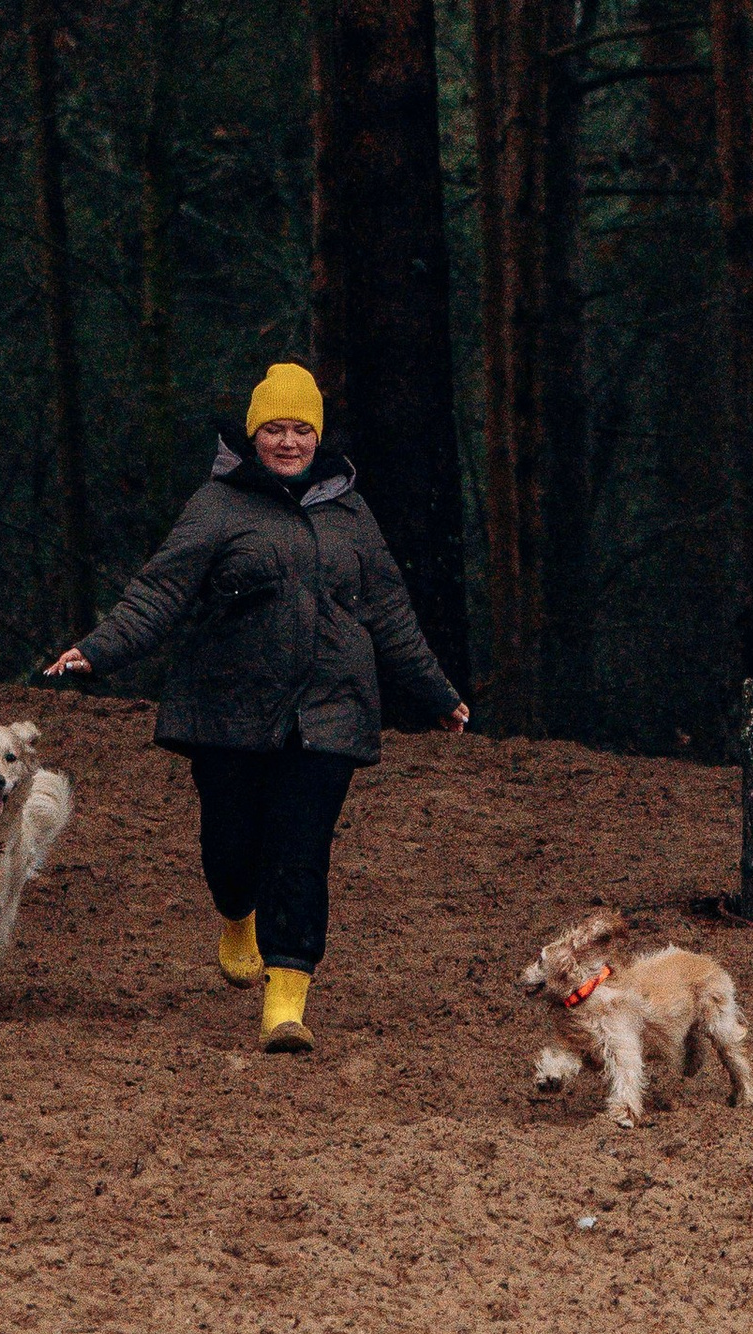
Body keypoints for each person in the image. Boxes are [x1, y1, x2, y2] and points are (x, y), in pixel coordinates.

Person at [43, 359, 469, 1052]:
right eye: (276, 427)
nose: (290, 441)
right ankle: (234, 913)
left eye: (302, 428)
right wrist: (97, 651)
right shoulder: (217, 506)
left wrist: (436, 692)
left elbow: (389, 609)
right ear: (253, 433)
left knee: (300, 854)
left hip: (331, 708)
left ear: (318, 436)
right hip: (229, 710)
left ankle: (286, 1002)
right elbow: (159, 592)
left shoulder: (351, 510)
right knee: (231, 847)